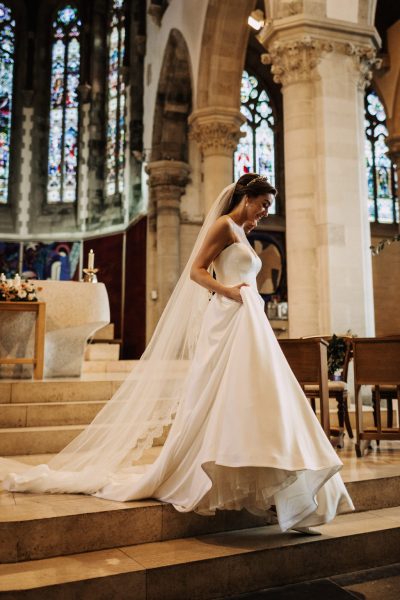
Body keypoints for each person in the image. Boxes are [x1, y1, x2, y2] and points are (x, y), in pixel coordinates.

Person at [1, 174, 354, 533]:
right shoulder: (224, 226)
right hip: (229, 316)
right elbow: (196, 272)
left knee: (256, 397)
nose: (265, 212)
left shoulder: (243, 232)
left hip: (247, 321)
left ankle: (276, 491)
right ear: (247, 198)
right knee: (222, 396)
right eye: (263, 204)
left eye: (268, 208)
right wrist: (229, 292)